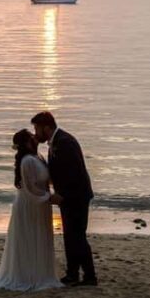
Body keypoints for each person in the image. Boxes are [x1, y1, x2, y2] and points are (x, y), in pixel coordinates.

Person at [0, 129, 63, 291]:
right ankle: (28, 275)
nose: (35, 137)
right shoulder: (27, 161)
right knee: (30, 238)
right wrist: (49, 197)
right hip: (30, 204)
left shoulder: (38, 158)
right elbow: (30, 188)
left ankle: (39, 273)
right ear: (26, 142)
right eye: (31, 136)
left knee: (39, 236)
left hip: (40, 204)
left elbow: (46, 181)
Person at [32, 111, 97, 287]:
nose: (36, 133)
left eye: (37, 129)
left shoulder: (64, 142)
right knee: (70, 235)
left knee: (77, 236)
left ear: (46, 127)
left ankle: (89, 276)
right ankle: (72, 273)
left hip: (76, 196)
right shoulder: (56, 142)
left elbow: (74, 174)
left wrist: (63, 196)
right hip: (68, 197)